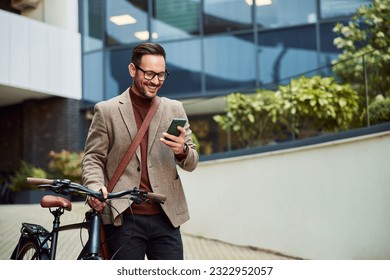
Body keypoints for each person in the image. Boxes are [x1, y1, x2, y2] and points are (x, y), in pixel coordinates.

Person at [81, 43, 199, 260]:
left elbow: (191, 162)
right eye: (150, 74)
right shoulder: (106, 111)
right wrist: (95, 187)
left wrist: (182, 150)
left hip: (167, 217)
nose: (156, 81)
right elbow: (93, 158)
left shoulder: (175, 109)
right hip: (124, 217)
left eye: (162, 75)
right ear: (133, 70)